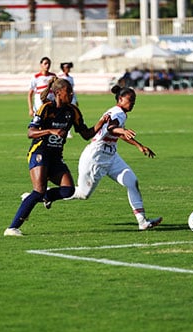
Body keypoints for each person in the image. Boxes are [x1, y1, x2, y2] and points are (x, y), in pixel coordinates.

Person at [4, 77, 110, 236]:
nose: (72, 94)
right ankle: (12, 228)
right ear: (58, 93)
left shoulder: (72, 111)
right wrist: (50, 131)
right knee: (38, 190)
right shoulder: (46, 108)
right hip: (40, 152)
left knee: (68, 190)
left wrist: (102, 123)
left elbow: (85, 134)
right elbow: (30, 133)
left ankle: (35, 197)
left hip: (56, 156)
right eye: (69, 91)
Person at [67, 85, 162, 231]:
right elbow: (112, 127)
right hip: (96, 157)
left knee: (132, 181)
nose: (133, 103)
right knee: (83, 194)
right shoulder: (118, 113)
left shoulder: (120, 112)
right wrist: (122, 130)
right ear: (120, 99)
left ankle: (142, 221)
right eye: (131, 100)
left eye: (134, 100)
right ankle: (45, 194)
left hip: (111, 156)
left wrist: (138, 145)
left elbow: (117, 133)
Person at [58, 61, 77, 138]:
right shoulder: (60, 77)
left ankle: (68, 131)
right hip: (63, 99)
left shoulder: (71, 78)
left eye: (69, 67)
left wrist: (75, 99)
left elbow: (72, 90)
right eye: (66, 67)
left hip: (71, 98)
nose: (68, 69)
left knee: (70, 115)